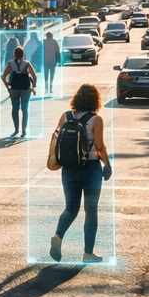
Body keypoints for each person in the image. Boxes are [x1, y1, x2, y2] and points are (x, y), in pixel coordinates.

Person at [48, 83, 113, 262]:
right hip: (90, 169)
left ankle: (58, 236)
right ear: (95, 100)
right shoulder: (95, 119)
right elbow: (99, 146)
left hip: (69, 169)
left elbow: (56, 139)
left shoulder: (65, 116)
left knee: (71, 208)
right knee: (91, 211)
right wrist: (107, 165)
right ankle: (87, 253)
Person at [2, 46, 36, 138]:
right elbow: (34, 75)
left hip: (14, 88)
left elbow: (3, 76)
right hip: (25, 88)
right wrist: (34, 86)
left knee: (15, 108)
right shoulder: (27, 63)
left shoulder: (10, 63)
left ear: (14, 54)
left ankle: (16, 129)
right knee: (25, 109)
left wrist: (7, 86)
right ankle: (24, 130)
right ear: (23, 54)